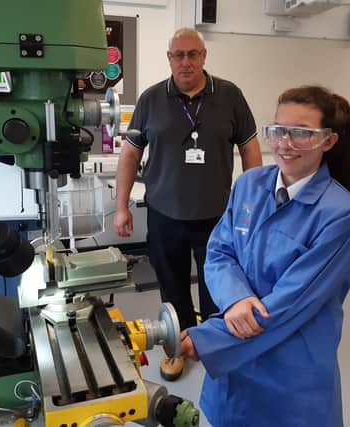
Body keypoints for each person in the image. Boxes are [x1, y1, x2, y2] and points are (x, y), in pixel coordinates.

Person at [179, 86, 350, 426]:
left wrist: (207, 339)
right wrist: (236, 300)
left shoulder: (343, 216)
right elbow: (219, 251)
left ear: (328, 140)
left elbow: (292, 303)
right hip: (238, 353)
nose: (285, 143)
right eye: (278, 130)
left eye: (301, 133)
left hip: (291, 366)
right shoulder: (250, 184)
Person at [113, 27, 262, 381]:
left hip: (217, 217)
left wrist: (254, 206)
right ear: (169, 59)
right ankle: (177, 348)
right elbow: (130, 155)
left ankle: (213, 347)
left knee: (218, 286)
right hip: (165, 214)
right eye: (178, 55)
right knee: (172, 285)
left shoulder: (230, 96)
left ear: (204, 56)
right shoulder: (151, 99)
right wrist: (121, 206)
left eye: (192, 54)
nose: (186, 62)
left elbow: (251, 151)